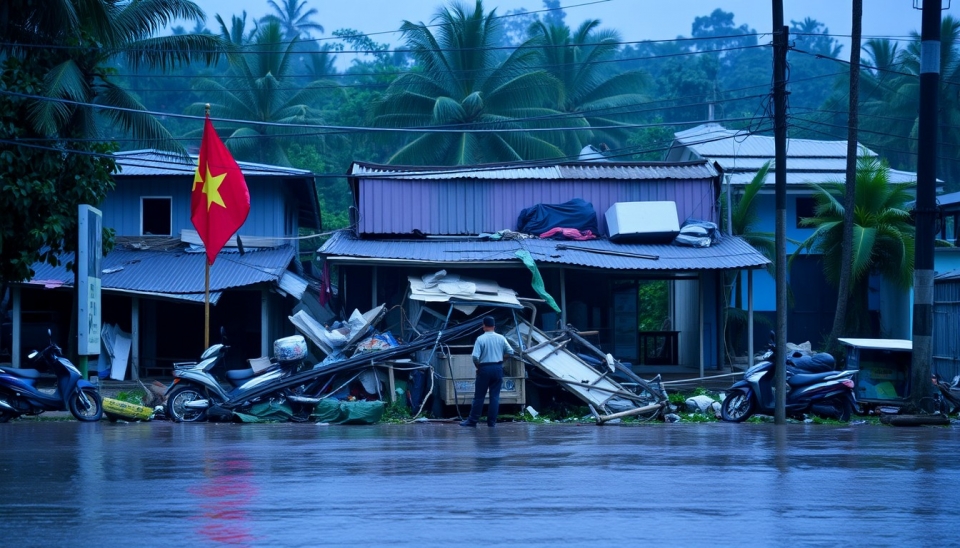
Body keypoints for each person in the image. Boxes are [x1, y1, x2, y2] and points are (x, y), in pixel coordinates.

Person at [461, 316, 515, 428]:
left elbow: (475, 357)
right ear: (494, 326)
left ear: (484, 326)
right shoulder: (501, 338)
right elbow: (510, 351)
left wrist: (478, 367)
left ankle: (472, 421)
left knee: (479, 396)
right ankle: (491, 423)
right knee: (495, 396)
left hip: (484, 368)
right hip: (497, 368)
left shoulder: (480, 339)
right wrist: (502, 360)